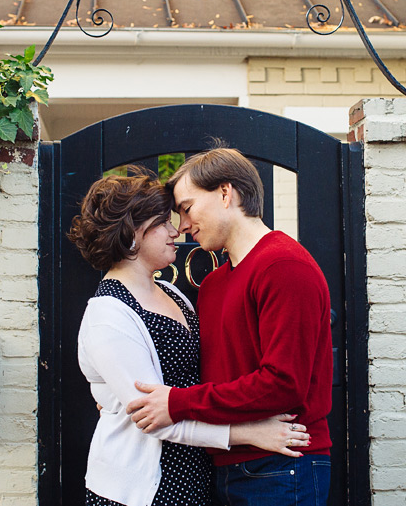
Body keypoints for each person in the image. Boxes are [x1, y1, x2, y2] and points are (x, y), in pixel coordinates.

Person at [68, 168, 312, 506]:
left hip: (196, 474)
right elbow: (153, 417)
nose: (176, 230)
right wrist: (249, 433)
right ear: (132, 235)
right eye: (162, 222)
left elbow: (197, 380)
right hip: (142, 487)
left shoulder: (173, 293)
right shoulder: (107, 314)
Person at [125, 147, 334, 506]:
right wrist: (124, 396)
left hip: (282, 467)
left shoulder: (284, 266)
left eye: (187, 208)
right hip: (223, 463)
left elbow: (283, 384)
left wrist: (177, 402)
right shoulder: (215, 285)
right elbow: (211, 373)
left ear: (226, 193)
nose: (182, 226)